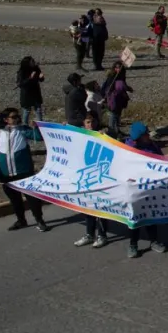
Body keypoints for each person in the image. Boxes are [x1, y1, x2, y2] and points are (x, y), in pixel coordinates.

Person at [0, 108, 48, 232]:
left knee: (32, 198)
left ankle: (40, 220)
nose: (17, 118)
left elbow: (37, 137)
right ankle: (21, 220)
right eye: (13, 117)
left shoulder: (23, 130)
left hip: (24, 172)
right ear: (6, 120)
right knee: (15, 200)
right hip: (6, 174)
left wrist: (35, 127)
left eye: (17, 116)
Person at [125, 122, 168, 257]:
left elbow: (163, 161)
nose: (148, 136)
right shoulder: (128, 149)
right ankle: (133, 245)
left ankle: (154, 241)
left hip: (150, 188)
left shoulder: (152, 146)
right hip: (134, 189)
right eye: (145, 134)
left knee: (151, 216)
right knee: (135, 218)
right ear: (138, 137)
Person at [74, 113, 109, 248]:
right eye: (88, 122)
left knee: (100, 208)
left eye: (93, 122)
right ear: (83, 124)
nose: (91, 125)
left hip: (100, 178)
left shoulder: (103, 135)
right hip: (85, 177)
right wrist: (65, 128)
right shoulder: (80, 136)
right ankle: (89, 234)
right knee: (88, 207)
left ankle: (102, 235)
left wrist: (105, 134)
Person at [103, 62, 133, 138]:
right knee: (113, 115)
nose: (118, 69)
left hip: (119, 98)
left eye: (119, 67)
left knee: (118, 115)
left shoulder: (121, 76)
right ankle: (112, 133)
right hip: (112, 99)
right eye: (116, 67)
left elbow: (124, 86)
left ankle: (117, 130)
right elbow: (108, 88)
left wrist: (128, 88)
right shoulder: (112, 77)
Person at [16, 56, 45, 126]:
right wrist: (30, 78)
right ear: (27, 63)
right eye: (32, 62)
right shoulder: (22, 71)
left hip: (36, 93)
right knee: (26, 111)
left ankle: (41, 127)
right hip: (26, 94)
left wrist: (41, 77)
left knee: (38, 110)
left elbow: (40, 79)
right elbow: (20, 84)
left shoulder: (36, 68)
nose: (34, 63)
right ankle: (25, 127)